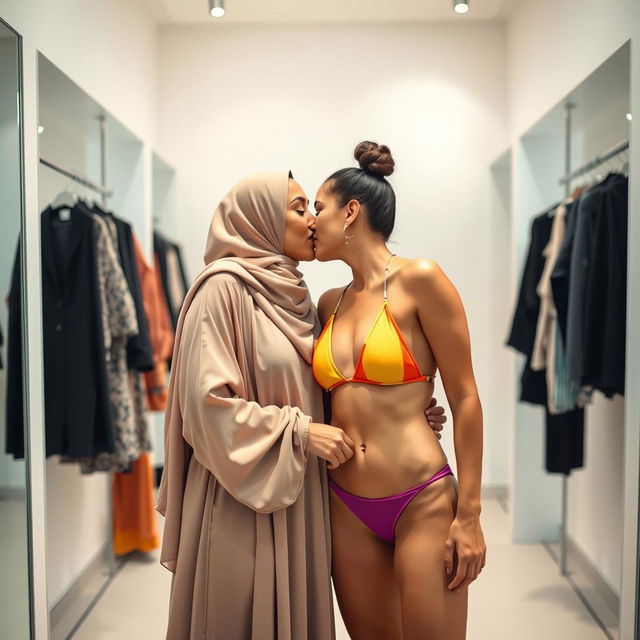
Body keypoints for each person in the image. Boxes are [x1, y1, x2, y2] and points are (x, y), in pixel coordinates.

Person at [156, 171, 447, 639]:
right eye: (298, 208)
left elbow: (322, 386)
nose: (311, 220)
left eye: (313, 207)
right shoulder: (222, 290)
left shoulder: (297, 297)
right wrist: (300, 432)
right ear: (260, 220)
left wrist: (401, 408)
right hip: (239, 499)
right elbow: (205, 406)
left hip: (300, 502)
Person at [311, 141, 486, 640]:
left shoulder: (421, 280)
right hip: (345, 504)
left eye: (318, 208)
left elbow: (466, 397)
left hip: (421, 499)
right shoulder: (329, 303)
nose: (310, 222)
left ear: (350, 212)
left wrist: (470, 516)